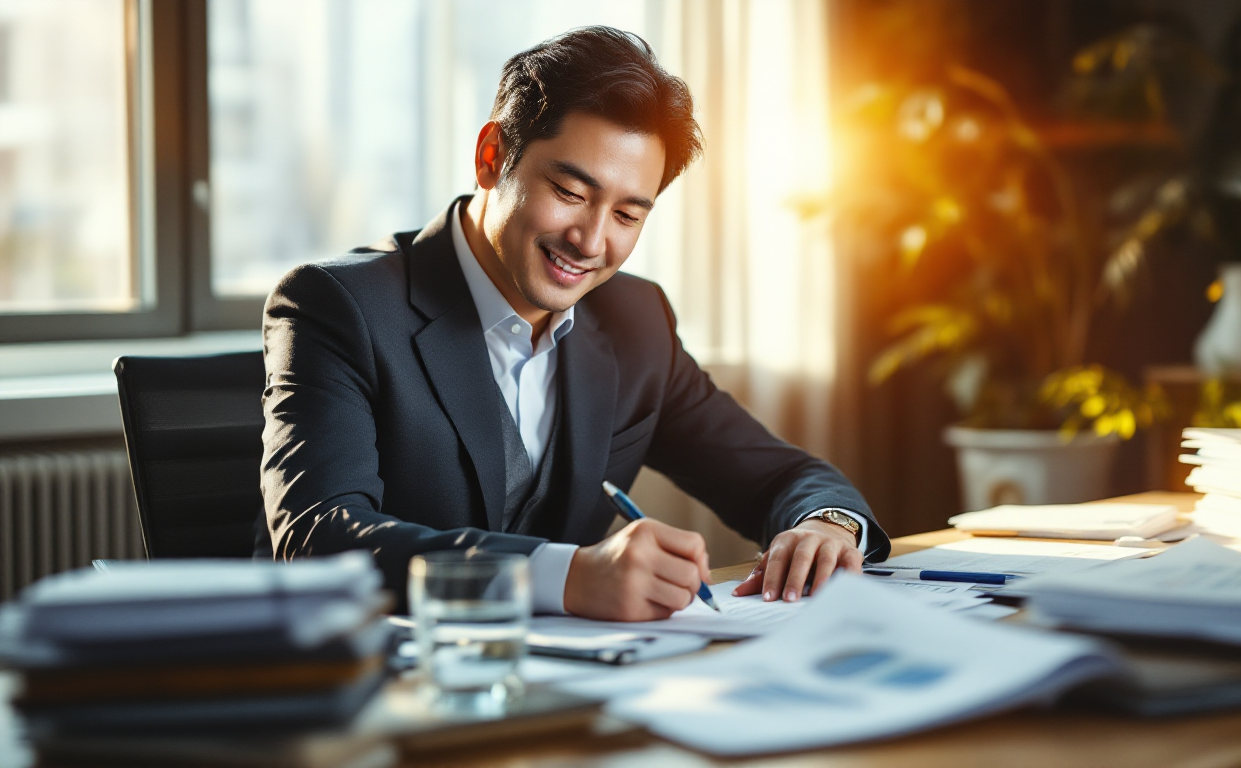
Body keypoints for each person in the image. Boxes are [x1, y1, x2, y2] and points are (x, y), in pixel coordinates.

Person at [258, 26, 890, 620]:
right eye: (570, 192)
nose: (591, 241)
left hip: (564, 689)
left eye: (627, 215)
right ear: (491, 157)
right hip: (359, 678)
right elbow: (320, 536)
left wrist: (825, 525)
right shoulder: (337, 305)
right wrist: (568, 577)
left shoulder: (636, 320)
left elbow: (780, 475)